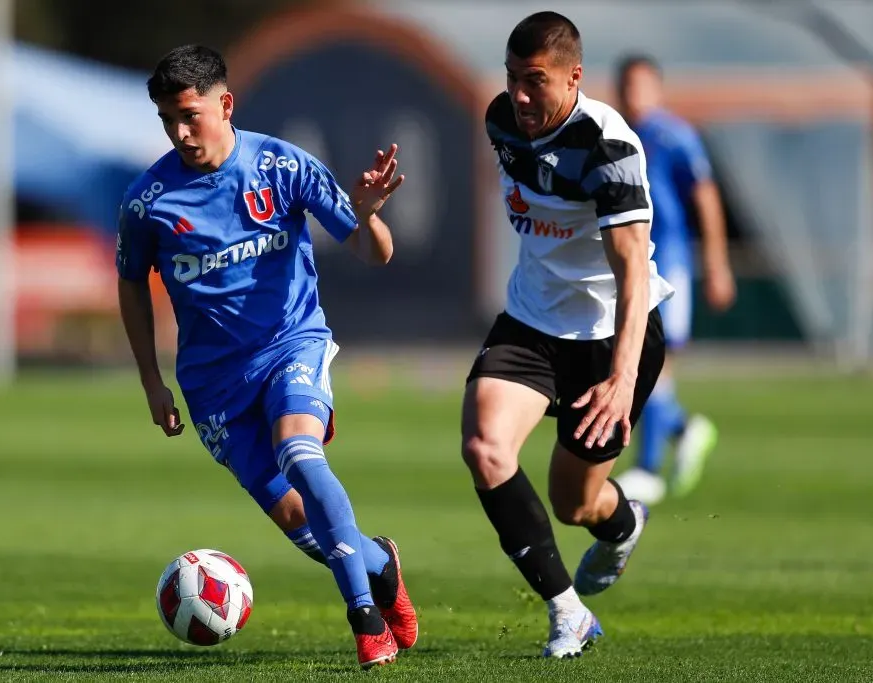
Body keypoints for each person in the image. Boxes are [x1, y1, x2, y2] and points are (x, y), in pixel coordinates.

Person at [115, 45, 416, 670]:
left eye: (190, 115)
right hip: (213, 386)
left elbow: (373, 251)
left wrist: (364, 213)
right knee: (301, 523)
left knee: (300, 453)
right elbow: (130, 284)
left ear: (225, 104)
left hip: (291, 343)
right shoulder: (148, 203)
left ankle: (364, 619)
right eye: (168, 119)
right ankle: (381, 564)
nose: (179, 132)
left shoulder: (281, 165)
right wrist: (151, 382)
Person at [462, 11, 673, 659]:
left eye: (536, 81)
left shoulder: (609, 148)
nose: (520, 97)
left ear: (574, 77)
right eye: (511, 79)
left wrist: (622, 377)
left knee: (573, 504)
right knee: (485, 447)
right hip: (530, 323)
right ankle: (567, 612)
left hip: (612, 336)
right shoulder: (501, 120)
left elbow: (633, 272)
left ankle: (622, 523)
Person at [611, 53, 737, 506]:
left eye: (642, 86)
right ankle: (684, 428)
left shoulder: (675, 135)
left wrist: (717, 262)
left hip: (671, 265)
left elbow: (705, 197)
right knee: (636, 361)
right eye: (627, 86)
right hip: (629, 263)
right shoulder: (613, 134)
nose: (634, 95)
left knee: (653, 360)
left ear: (657, 89)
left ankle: (647, 469)